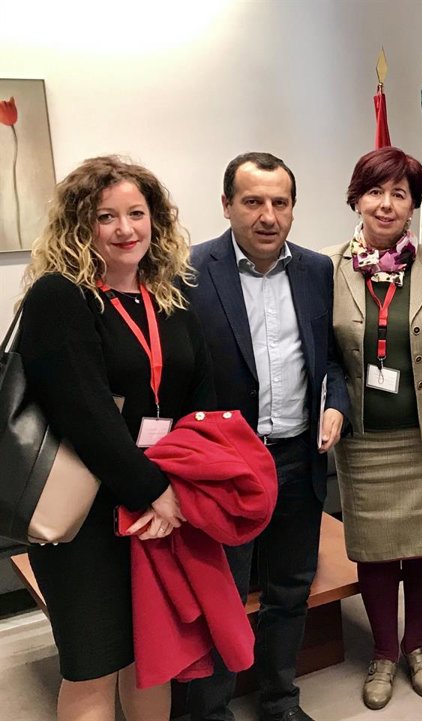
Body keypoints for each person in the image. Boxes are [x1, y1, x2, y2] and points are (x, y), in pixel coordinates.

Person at [18, 156, 214, 721]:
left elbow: (201, 398)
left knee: (153, 659)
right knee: (93, 668)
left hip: (158, 508)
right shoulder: (61, 297)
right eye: (106, 217)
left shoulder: (169, 296)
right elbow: (85, 415)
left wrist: (180, 484)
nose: (125, 229)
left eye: (136, 213)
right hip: (86, 514)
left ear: (156, 220)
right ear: (81, 225)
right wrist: (153, 491)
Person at [186, 152, 350, 721]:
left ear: (293, 209)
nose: (267, 216)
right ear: (226, 205)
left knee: (290, 588)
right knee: (224, 596)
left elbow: (331, 358)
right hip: (226, 466)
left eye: (280, 203)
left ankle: (280, 700)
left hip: (299, 458)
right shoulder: (190, 272)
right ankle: (212, 712)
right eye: (253, 201)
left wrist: (336, 404)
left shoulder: (316, 270)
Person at [322, 146, 422, 710]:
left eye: (399, 193)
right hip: (364, 439)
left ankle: (418, 646)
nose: (386, 204)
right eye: (375, 192)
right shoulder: (326, 268)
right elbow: (324, 356)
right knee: (373, 550)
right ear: (356, 200)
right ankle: (383, 652)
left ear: (414, 204)